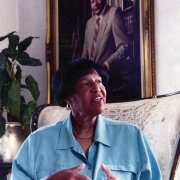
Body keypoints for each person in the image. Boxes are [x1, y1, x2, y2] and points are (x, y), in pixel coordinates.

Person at [11, 59, 161, 180]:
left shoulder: (132, 136)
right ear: (68, 97)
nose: (97, 88)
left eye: (99, 81)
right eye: (86, 83)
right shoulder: (37, 142)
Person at [81, 0, 136, 101]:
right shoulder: (89, 23)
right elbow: (84, 56)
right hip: (91, 84)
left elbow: (124, 46)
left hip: (111, 82)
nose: (95, 3)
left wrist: (107, 64)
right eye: (92, 0)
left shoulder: (115, 13)